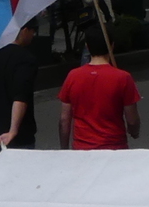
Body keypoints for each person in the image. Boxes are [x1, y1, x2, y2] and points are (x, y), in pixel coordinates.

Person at [56, 23, 142, 151]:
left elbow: (64, 119)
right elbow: (132, 120)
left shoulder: (73, 76)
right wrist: (134, 132)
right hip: (114, 147)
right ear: (111, 45)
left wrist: (64, 148)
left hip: (81, 148)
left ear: (87, 46)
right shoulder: (123, 78)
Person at [0, 21, 39, 149]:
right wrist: (13, 130)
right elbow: (21, 96)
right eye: (33, 31)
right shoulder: (25, 59)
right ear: (24, 30)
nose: (33, 35)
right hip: (15, 139)